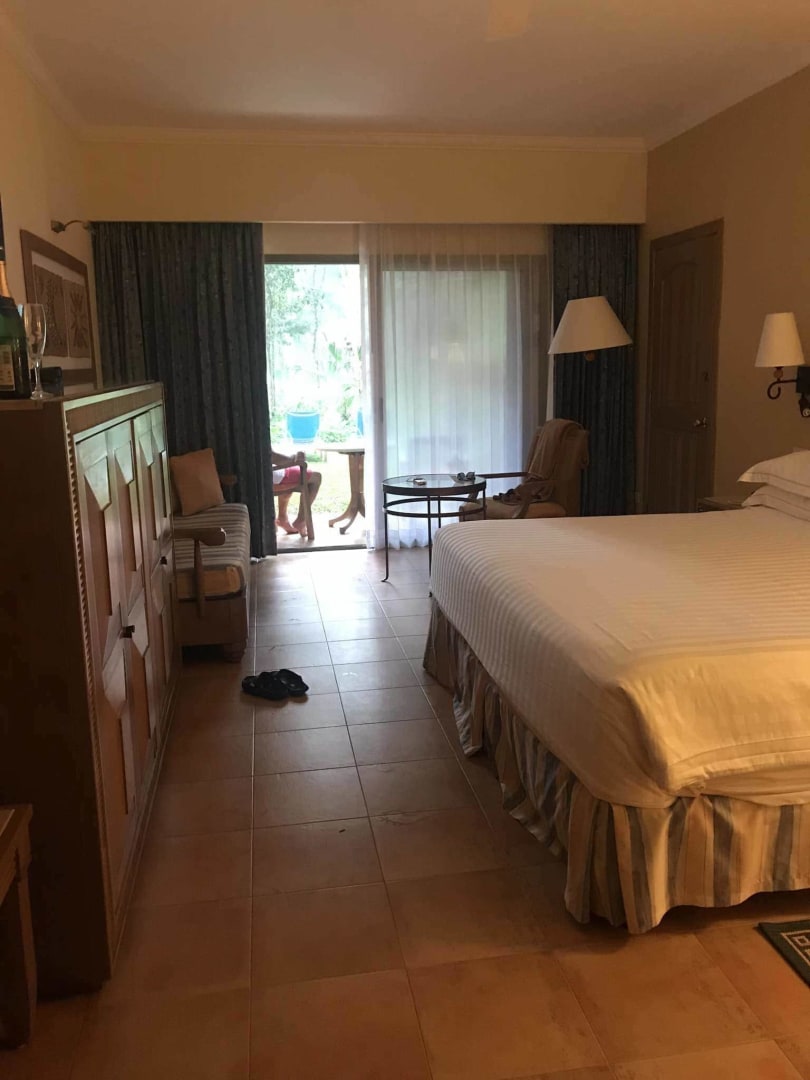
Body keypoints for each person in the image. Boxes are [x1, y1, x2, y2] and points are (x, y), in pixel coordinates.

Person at [271, 449, 322, 537]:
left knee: (292, 473)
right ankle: (301, 520)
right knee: (316, 477)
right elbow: (272, 456)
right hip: (271, 478)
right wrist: (295, 459)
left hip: (268, 474)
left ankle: (283, 518)